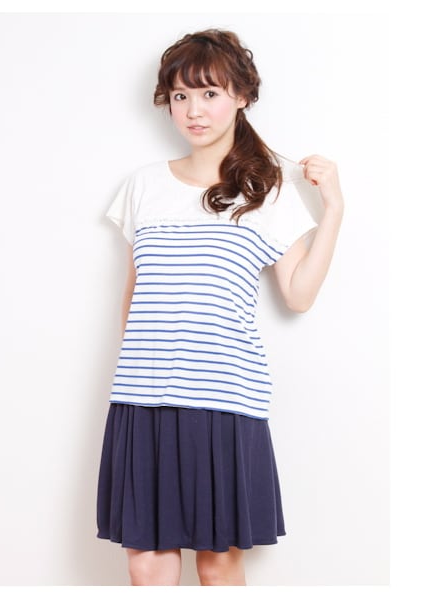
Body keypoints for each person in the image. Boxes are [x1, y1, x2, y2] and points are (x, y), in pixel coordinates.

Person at [96, 28, 344, 586]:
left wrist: (333, 210)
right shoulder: (143, 186)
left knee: (217, 562)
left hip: (222, 397)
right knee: (145, 563)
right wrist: (136, 371)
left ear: (242, 96)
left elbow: (298, 295)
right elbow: (135, 293)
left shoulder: (266, 190)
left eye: (210, 93)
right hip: (142, 397)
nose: (193, 110)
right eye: (180, 95)